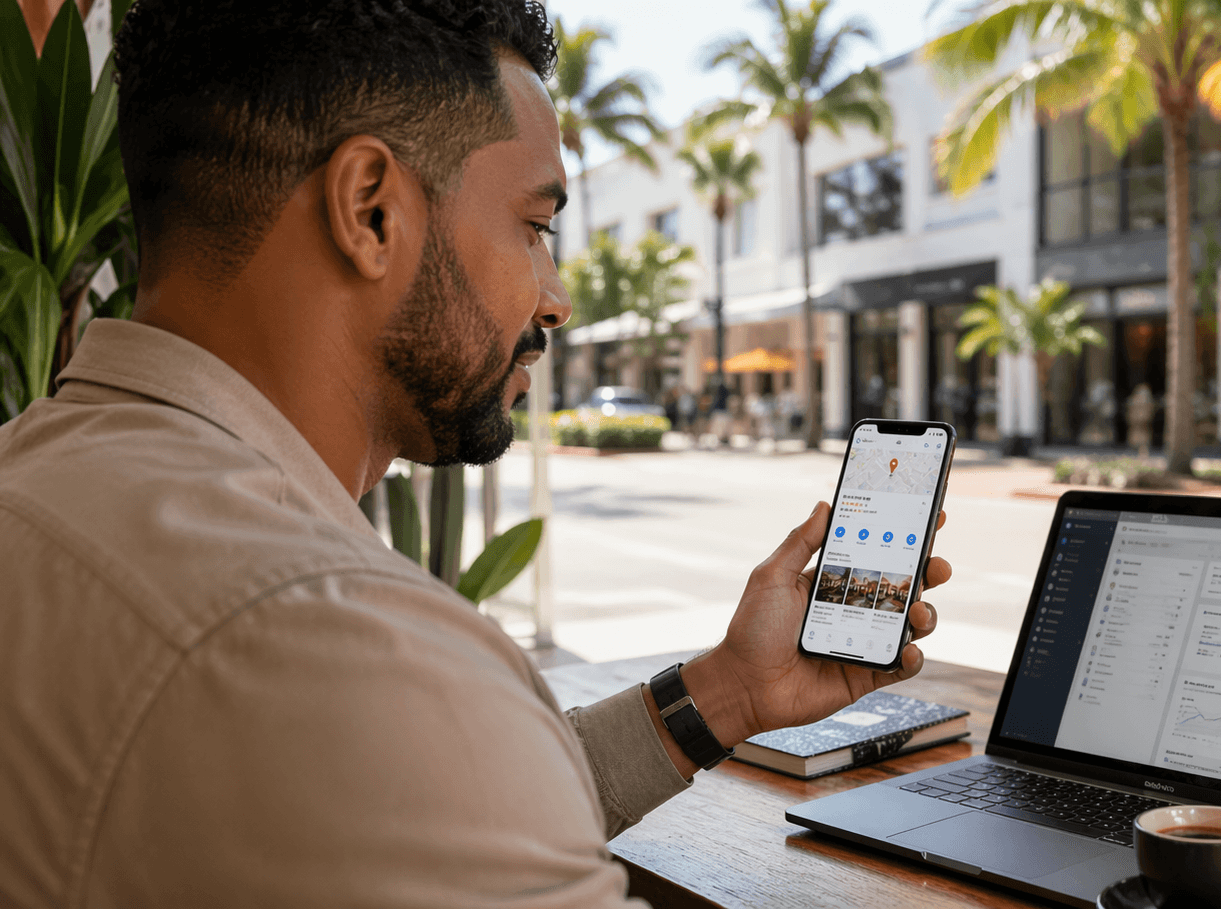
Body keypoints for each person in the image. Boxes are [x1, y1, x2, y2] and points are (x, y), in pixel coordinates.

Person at [0, 3, 946, 906]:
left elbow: (398, 808)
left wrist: (729, 690)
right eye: (535, 227)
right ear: (370, 210)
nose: (556, 296)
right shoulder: (335, 644)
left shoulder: (34, 480)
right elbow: (417, 764)